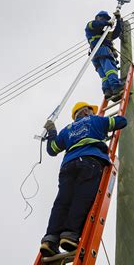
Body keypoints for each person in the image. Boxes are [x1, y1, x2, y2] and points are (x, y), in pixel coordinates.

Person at [39, 102, 127, 256]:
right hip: (89, 162)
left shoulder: (67, 130)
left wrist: (51, 131)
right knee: (82, 198)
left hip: (68, 166)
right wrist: (104, 127)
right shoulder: (95, 120)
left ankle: (50, 239)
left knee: (62, 202)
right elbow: (121, 122)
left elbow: (52, 150)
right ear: (86, 112)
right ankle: (70, 235)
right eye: (91, 111)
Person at [85, 10, 124, 100]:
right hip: (102, 51)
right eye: (103, 18)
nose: (104, 20)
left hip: (95, 55)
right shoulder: (90, 26)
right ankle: (115, 86)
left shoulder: (104, 34)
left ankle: (108, 91)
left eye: (105, 19)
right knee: (110, 69)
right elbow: (96, 24)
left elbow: (116, 33)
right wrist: (107, 23)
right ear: (97, 17)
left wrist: (118, 20)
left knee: (104, 75)